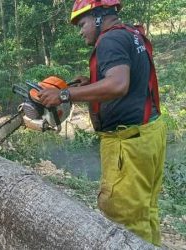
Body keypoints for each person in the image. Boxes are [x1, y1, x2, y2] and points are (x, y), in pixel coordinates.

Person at [38, 0, 167, 246]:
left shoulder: (109, 40)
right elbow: (132, 80)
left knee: (124, 217)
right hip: (149, 133)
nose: (81, 31)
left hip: (128, 143)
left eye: (83, 23)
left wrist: (64, 94)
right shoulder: (130, 34)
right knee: (145, 211)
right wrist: (91, 81)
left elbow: (118, 84)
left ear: (99, 17)